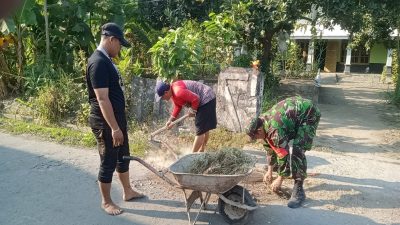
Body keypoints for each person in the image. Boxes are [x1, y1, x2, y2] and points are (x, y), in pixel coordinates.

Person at [86, 22, 143, 216]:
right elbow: (102, 98)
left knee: (123, 155)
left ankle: (128, 191)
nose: (120, 49)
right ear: (111, 39)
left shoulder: (107, 59)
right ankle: (107, 201)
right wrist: (114, 128)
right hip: (105, 123)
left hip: (116, 120)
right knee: (108, 159)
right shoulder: (98, 62)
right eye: (120, 45)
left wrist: (119, 125)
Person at [246, 96, 321, 208]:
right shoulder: (262, 122)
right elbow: (269, 146)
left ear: (259, 130)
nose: (256, 139)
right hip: (295, 115)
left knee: (297, 150)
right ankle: (278, 170)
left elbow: (283, 154)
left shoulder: (274, 130)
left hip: (308, 114)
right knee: (275, 142)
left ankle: (299, 189)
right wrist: (270, 171)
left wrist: (280, 179)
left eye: (255, 137)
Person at [155, 80, 217, 152]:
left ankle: (191, 157)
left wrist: (193, 110)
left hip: (206, 97)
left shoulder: (178, 91)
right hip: (204, 98)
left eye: (162, 97)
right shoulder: (173, 92)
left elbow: (196, 99)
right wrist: (170, 120)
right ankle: (201, 150)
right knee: (203, 127)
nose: (163, 99)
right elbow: (178, 106)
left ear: (166, 92)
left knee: (200, 130)